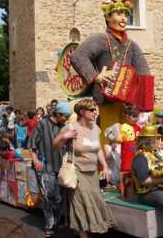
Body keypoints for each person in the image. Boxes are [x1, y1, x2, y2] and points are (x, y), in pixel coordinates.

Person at [71, 0, 153, 144]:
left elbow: (144, 72)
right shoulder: (101, 39)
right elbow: (78, 56)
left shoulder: (131, 45)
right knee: (109, 139)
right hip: (105, 101)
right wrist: (96, 77)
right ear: (108, 17)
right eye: (119, 14)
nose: (123, 18)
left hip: (127, 104)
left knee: (127, 138)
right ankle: (104, 167)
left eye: (126, 14)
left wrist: (146, 101)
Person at [53, 99, 116, 238]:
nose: (95, 112)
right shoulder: (71, 127)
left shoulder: (95, 128)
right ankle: (83, 234)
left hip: (92, 174)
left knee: (95, 202)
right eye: (92, 110)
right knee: (80, 204)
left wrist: (105, 166)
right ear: (82, 112)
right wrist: (64, 136)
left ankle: (90, 230)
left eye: (96, 109)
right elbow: (55, 146)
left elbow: (98, 149)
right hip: (77, 173)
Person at [27, 102, 74, 238]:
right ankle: (49, 225)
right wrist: (35, 161)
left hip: (61, 168)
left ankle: (56, 222)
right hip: (45, 166)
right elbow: (32, 144)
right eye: (65, 116)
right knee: (48, 197)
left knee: (58, 198)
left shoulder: (64, 126)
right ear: (58, 114)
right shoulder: (42, 124)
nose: (67, 119)